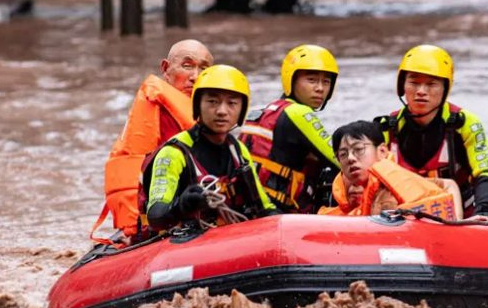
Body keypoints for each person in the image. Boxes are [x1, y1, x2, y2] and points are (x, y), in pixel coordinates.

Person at [91, 40, 213, 241]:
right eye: (187, 66)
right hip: (155, 220)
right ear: (166, 69)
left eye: (204, 69)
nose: (195, 77)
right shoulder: (161, 112)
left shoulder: (202, 113)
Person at [141, 65, 277, 232]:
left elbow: (264, 207)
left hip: (227, 239)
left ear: (242, 111)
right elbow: (156, 217)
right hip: (181, 244)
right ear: (198, 105)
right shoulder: (174, 153)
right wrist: (182, 205)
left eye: (232, 103)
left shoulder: (238, 151)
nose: (221, 111)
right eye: (212, 102)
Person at [375, 44, 488, 218]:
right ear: (402, 86)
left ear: (445, 89)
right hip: (401, 217)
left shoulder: (464, 124)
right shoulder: (386, 127)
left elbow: (487, 172)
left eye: (431, 84)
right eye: (414, 82)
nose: (421, 91)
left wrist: (485, 211)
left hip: (461, 215)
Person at [239, 44, 340, 213]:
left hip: (250, 209)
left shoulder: (268, 112)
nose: (320, 88)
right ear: (291, 80)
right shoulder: (298, 113)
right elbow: (339, 159)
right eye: (312, 80)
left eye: (326, 82)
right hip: (279, 214)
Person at [318, 120, 462, 218]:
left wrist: (458, 221)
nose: (350, 158)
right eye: (343, 154)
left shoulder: (390, 194)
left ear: (382, 152)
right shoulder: (345, 187)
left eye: (358, 149)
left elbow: (449, 185)